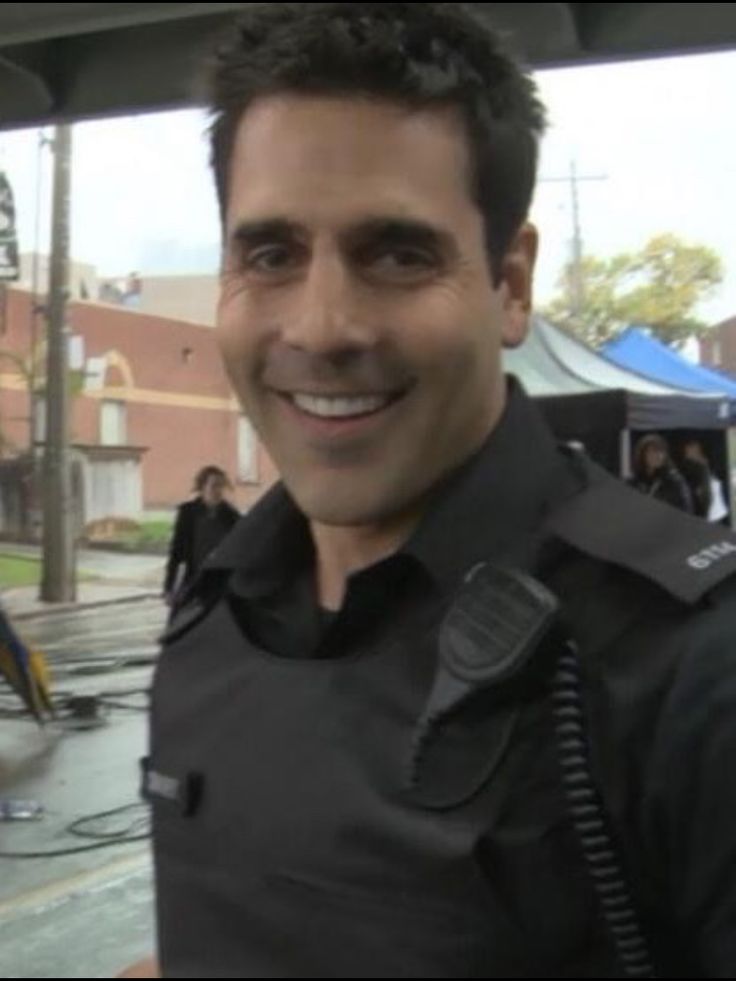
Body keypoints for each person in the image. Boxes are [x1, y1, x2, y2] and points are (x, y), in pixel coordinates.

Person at [127, 5, 736, 977]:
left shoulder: (689, 675)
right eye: (271, 254)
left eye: (398, 254)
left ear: (508, 282)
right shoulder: (210, 616)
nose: (322, 326)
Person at [162, 465, 239, 607]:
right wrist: (168, 588)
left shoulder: (231, 516)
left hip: (221, 584)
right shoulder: (188, 513)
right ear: (202, 487)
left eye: (221, 486)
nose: (218, 491)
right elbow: (176, 552)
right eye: (214, 486)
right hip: (194, 580)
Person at [629, 432, 694, 513]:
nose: (658, 455)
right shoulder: (633, 483)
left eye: (661, 451)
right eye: (653, 451)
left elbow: (685, 510)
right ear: (643, 454)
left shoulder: (675, 482)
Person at [683, 439, 731, 524]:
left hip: (718, 514)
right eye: (686, 452)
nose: (686, 455)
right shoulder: (690, 471)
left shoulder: (710, 466)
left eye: (689, 451)